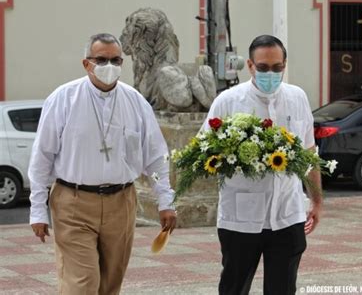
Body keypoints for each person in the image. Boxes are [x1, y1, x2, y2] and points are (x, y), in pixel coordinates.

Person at [28, 33, 177, 295]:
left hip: (121, 201)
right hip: (73, 202)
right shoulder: (63, 99)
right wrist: (37, 209)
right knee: (82, 283)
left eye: (116, 60)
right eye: (102, 60)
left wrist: (165, 201)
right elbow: (42, 157)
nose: (110, 66)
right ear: (87, 64)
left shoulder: (135, 102)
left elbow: (155, 155)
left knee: (110, 283)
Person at [201, 35, 323, 295]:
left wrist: (317, 201)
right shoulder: (228, 101)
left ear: (285, 65)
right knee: (234, 287)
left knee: (283, 288)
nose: (271, 73)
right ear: (250, 65)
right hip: (241, 218)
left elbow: (310, 152)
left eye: (277, 67)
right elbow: (204, 151)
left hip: (287, 214)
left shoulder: (297, 98)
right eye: (264, 67)